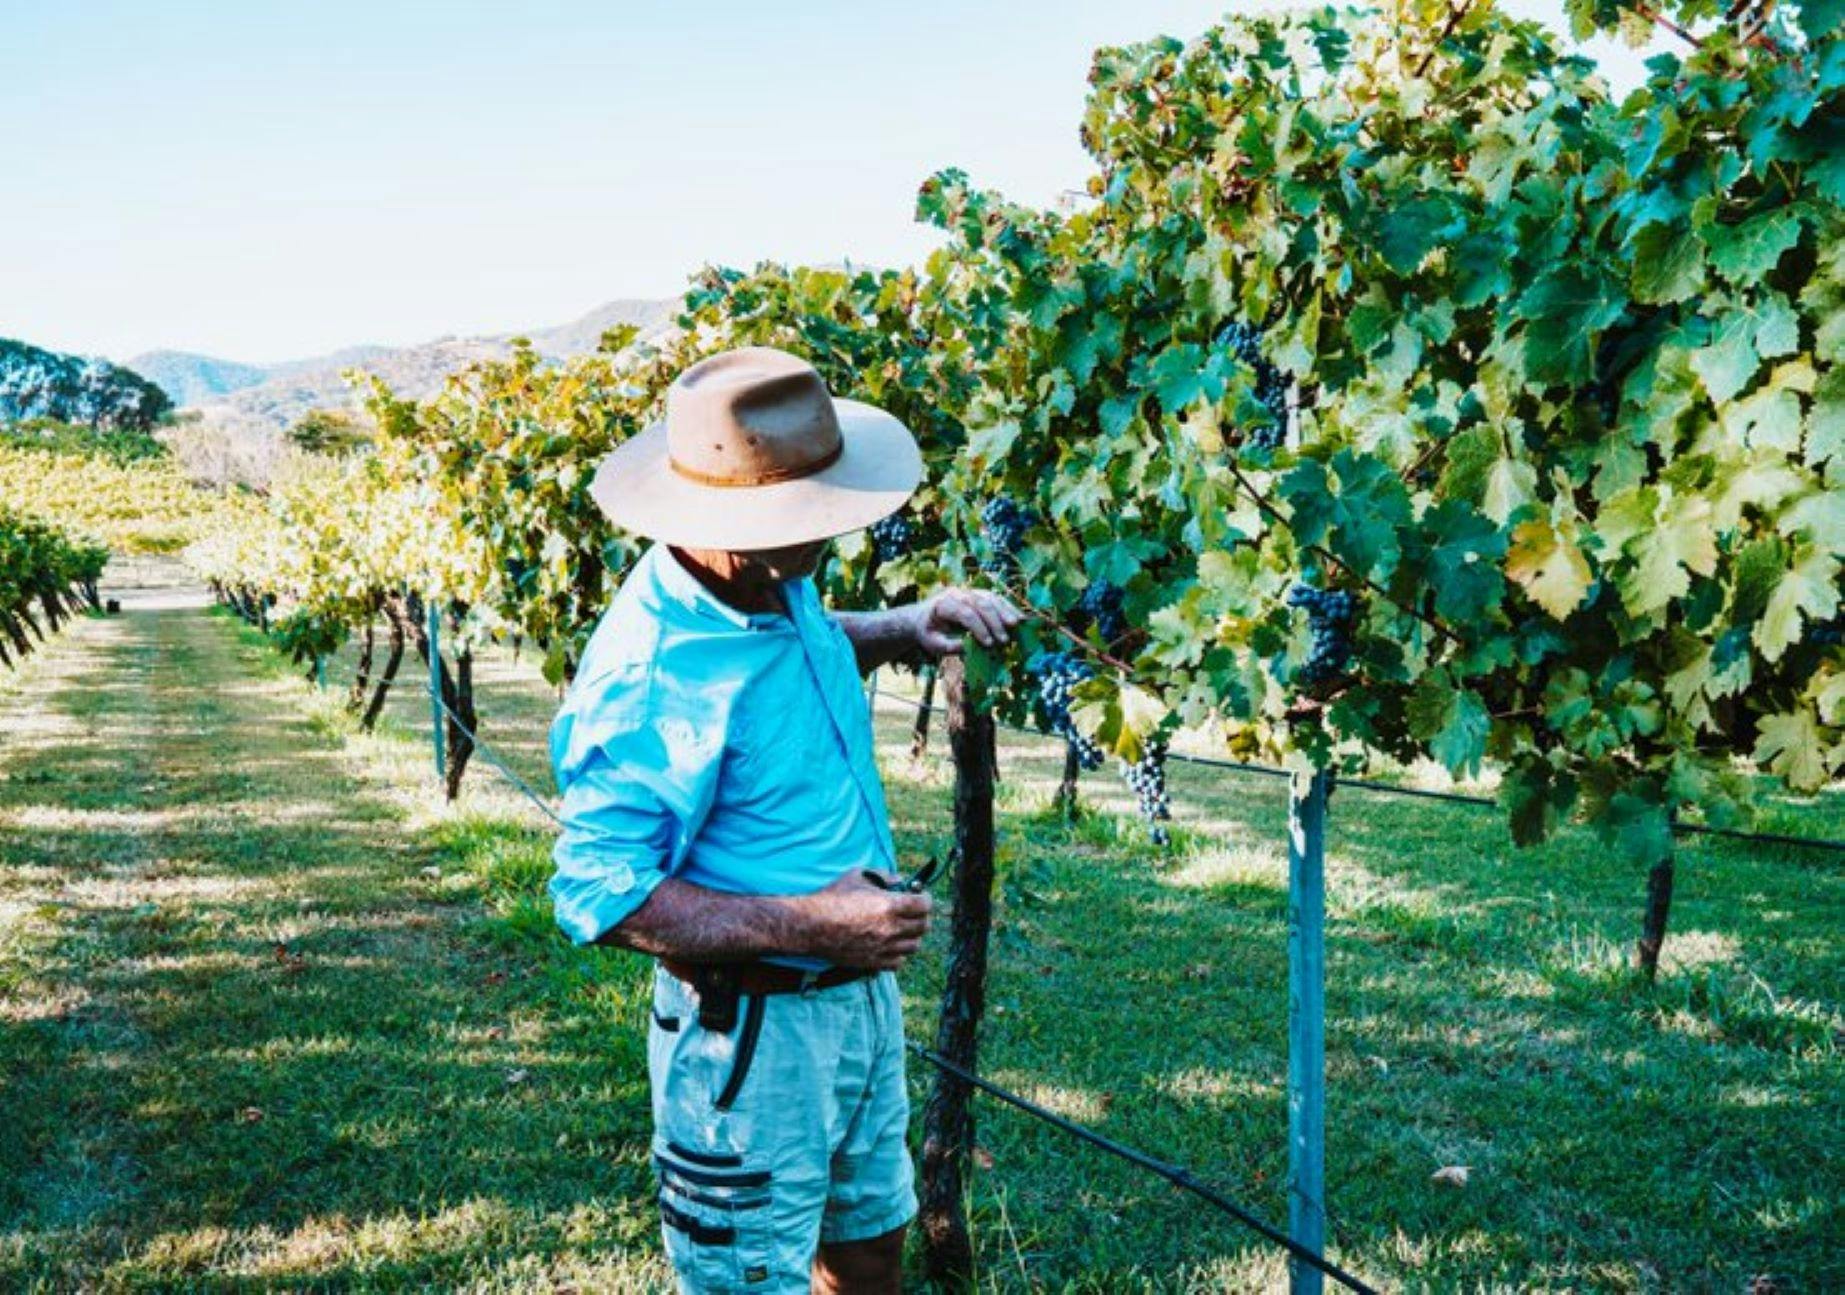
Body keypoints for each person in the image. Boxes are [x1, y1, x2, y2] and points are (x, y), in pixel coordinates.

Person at [547, 346, 1022, 1293]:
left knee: (866, 1249)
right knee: (751, 1280)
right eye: (811, 515)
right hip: (751, 1039)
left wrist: (901, 624)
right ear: (727, 524)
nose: (831, 532)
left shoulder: (766, 581)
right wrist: (817, 924)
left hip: (854, 1006)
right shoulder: (651, 672)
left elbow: (792, 645)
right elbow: (600, 897)